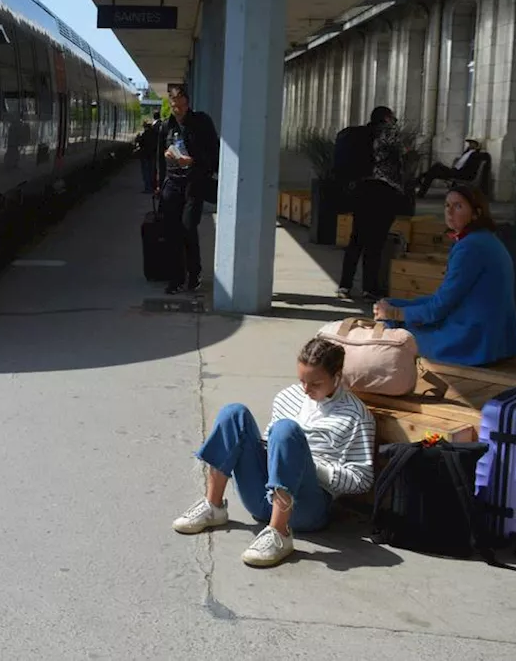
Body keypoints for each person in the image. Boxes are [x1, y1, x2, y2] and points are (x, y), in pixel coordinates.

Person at [172, 338, 375, 568]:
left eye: (315, 384)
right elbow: (272, 441)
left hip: (307, 507)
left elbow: (362, 480)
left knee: (286, 430)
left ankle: (280, 533)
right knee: (234, 413)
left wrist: (307, 466)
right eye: (302, 381)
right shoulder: (287, 396)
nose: (306, 390)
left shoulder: (356, 416)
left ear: (337, 377)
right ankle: (213, 506)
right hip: (263, 497)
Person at [374, 182, 516, 367]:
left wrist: (394, 313)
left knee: (395, 331)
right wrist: (396, 305)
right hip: (499, 341)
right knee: (395, 309)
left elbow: (438, 309)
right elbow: (444, 300)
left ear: (476, 213)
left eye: (458, 206)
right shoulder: (485, 239)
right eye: (447, 205)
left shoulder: (469, 247)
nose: (449, 212)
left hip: (474, 343)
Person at [336, 106, 406, 301]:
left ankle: (345, 286)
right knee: (375, 243)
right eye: (393, 117)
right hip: (384, 192)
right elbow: (401, 159)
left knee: (356, 238)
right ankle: (369, 288)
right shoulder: (390, 134)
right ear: (386, 118)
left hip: (362, 190)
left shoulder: (359, 135)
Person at [157, 85, 219, 295]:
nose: (179, 111)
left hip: (194, 182)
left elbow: (214, 154)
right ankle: (175, 279)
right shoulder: (167, 126)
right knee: (172, 232)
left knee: (188, 227)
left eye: (182, 106)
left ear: (188, 103)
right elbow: (158, 155)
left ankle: (194, 275)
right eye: (175, 106)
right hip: (172, 183)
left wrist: (192, 160)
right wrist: (161, 179)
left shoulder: (202, 123)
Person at [415, 139, 486, 198]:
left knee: (435, 168)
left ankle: (421, 178)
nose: (470, 144)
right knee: (434, 170)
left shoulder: (476, 155)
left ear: (477, 145)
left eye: (472, 143)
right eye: (469, 143)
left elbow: (470, 168)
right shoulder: (467, 152)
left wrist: (477, 150)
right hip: (456, 171)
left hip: (462, 174)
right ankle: (421, 187)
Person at [136, 120, 160, 193]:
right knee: (153, 172)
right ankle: (153, 187)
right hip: (153, 155)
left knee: (146, 172)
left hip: (145, 156)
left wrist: (138, 138)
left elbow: (140, 143)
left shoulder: (144, 134)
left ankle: (148, 188)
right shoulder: (156, 134)